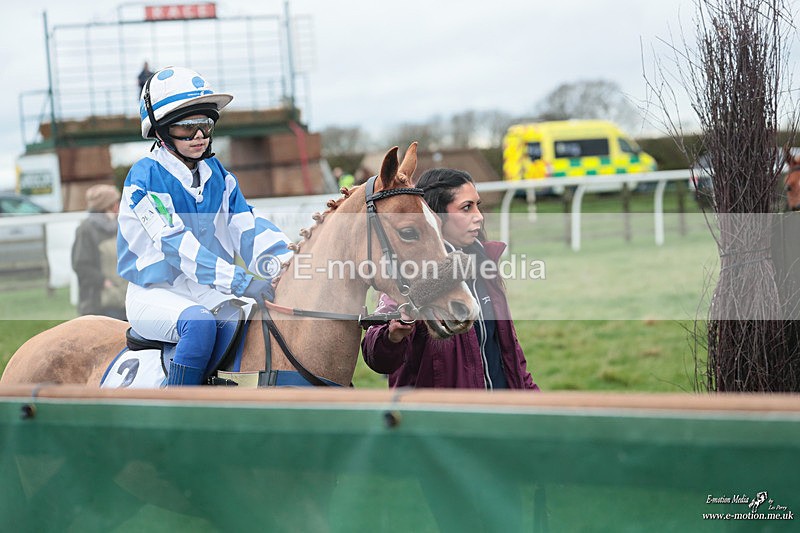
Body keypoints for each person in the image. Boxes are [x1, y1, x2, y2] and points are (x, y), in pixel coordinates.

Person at [118, 66, 293, 386]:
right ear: (160, 130)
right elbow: (175, 245)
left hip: (206, 290)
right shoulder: (143, 178)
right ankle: (179, 420)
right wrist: (241, 281)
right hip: (154, 292)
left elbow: (247, 226)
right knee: (198, 325)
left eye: (205, 125)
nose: (199, 136)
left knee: (257, 318)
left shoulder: (219, 175)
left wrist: (287, 264)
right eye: (186, 127)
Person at [361, 167, 539, 390]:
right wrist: (392, 336)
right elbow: (377, 357)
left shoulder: (486, 264)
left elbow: (512, 358)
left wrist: (533, 401)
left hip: (501, 416)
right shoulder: (410, 273)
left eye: (477, 205)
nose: (479, 217)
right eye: (466, 208)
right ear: (437, 215)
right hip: (445, 420)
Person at [72, 184, 128, 320]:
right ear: (109, 205)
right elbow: (81, 265)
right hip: (99, 304)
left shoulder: (121, 226)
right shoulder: (86, 230)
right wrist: (104, 283)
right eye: (116, 202)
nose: (119, 205)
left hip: (123, 301)